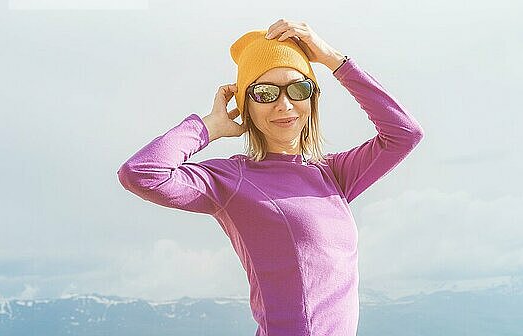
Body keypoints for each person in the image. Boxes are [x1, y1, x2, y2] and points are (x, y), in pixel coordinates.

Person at [117, 19, 425, 336]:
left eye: (298, 88)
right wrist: (209, 127)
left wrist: (333, 58)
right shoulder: (233, 179)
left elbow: (404, 133)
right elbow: (141, 173)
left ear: (312, 97)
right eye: (265, 93)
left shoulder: (333, 174)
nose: (285, 104)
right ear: (246, 106)